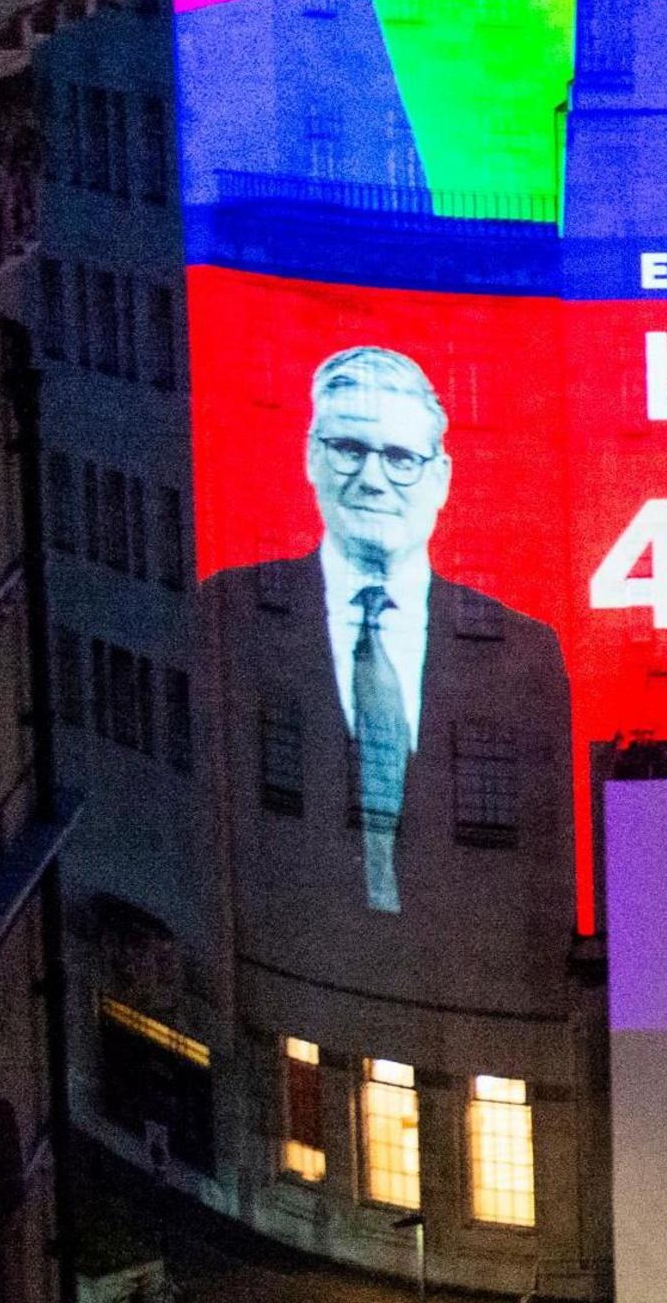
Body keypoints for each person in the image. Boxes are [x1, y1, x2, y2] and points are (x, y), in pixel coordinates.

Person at [202, 347, 569, 922]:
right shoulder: (228, 602)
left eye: (400, 458)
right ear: (310, 457)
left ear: (441, 478)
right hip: (301, 929)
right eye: (348, 449)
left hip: (461, 951)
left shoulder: (529, 647)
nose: (372, 479)